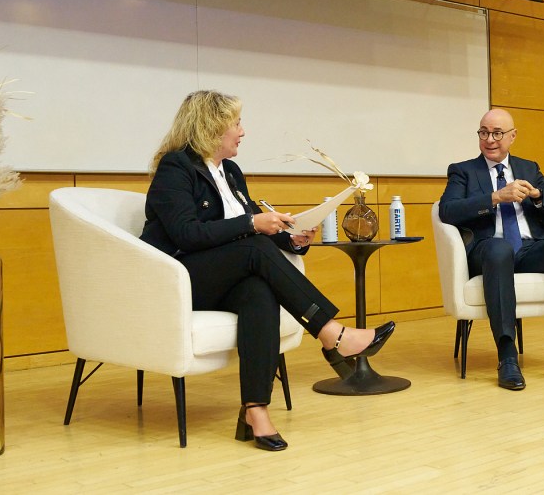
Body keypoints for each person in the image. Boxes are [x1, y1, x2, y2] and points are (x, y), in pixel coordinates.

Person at [140, 90, 395, 451]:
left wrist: (292, 240)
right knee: (254, 245)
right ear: (212, 126)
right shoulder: (176, 167)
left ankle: (255, 410)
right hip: (179, 277)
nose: (242, 131)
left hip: (225, 272)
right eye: (236, 123)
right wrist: (254, 224)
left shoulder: (229, 171)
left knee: (258, 293)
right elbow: (188, 233)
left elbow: (248, 230)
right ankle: (331, 333)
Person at [438, 108, 544, 391]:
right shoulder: (463, 171)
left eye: (497, 133)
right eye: (484, 132)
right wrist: (495, 197)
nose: (489, 139)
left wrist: (538, 196)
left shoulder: (529, 168)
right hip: (489, 250)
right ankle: (507, 358)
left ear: (512, 136)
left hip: (532, 248)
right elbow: (448, 211)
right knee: (499, 250)